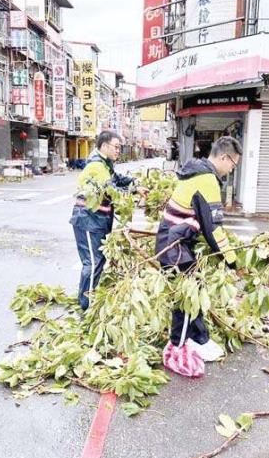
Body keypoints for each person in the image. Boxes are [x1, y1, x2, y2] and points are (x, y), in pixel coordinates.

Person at [156, 136, 242, 367]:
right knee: (186, 299)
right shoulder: (207, 180)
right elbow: (213, 228)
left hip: (175, 241)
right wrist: (232, 260)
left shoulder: (197, 173)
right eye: (233, 165)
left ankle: (199, 338)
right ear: (224, 157)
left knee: (195, 289)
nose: (231, 171)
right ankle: (178, 347)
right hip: (175, 246)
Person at [69, 130, 146, 310]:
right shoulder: (96, 166)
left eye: (120, 147)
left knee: (99, 261)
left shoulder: (105, 165)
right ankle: (86, 305)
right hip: (88, 220)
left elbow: (117, 180)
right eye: (116, 147)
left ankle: (88, 298)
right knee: (93, 262)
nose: (119, 151)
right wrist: (133, 192)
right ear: (104, 146)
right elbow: (111, 190)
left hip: (98, 221)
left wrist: (135, 184)